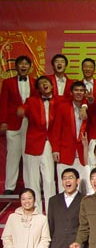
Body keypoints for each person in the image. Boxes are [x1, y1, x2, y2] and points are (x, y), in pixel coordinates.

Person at [18, 76, 58, 212]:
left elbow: (78, 100)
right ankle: (35, 212)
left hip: (49, 143)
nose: (44, 84)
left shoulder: (60, 100)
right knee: (33, 180)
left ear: (52, 85)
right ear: (38, 89)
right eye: (41, 83)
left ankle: (51, 213)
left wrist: (84, 106)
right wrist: (21, 110)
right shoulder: (31, 101)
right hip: (33, 143)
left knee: (49, 180)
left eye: (46, 82)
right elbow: (23, 109)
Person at [0, 55, 35, 195]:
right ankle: (9, 187)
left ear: (30, 67)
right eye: (21, 64)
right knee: (12, 156)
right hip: (13, 123)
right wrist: (3, 121)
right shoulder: (8, 83)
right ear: (16, 66)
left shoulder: (35, 82)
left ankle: (29, 185)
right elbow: (3, 103)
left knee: (28, 156)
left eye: (26, 64)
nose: (23, 66)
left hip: (30, 124)